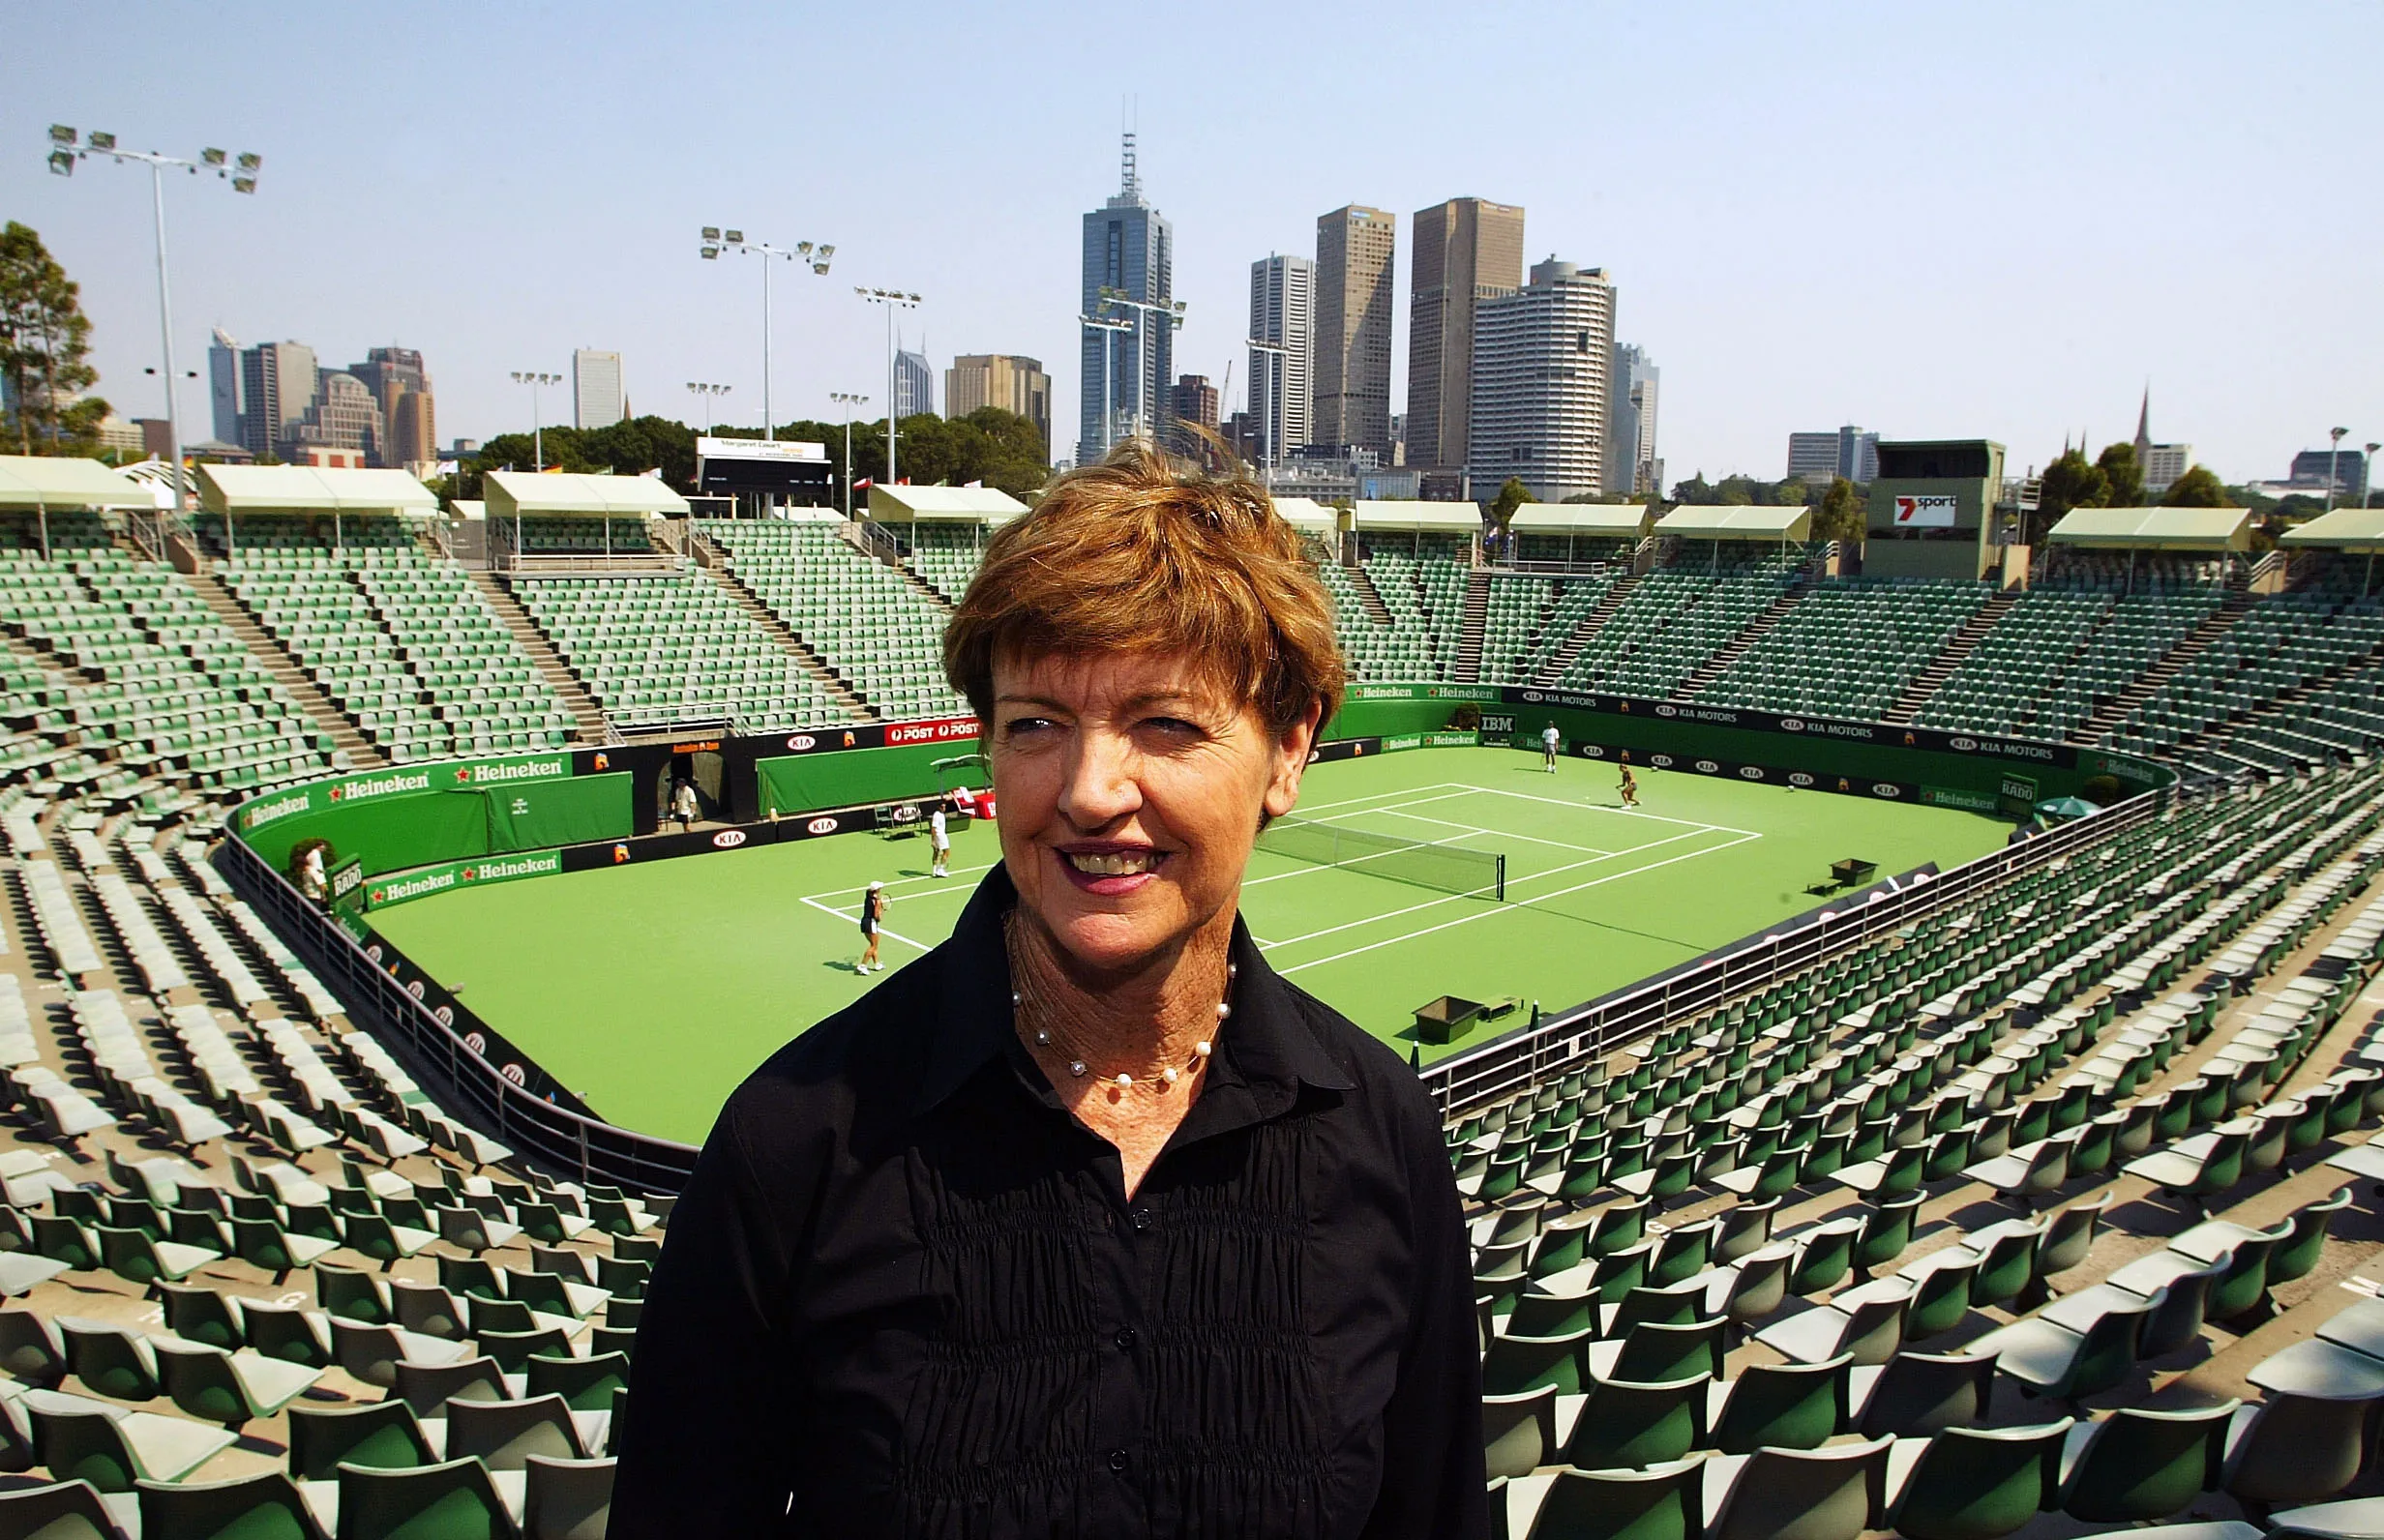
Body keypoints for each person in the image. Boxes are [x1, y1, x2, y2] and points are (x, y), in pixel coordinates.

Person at [617, 441, 1485, 1539]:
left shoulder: (1383, 1132)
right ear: (987, 744)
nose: (1087, 791)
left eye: (1165, 723)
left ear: (1288, 750)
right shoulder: (791, 1145)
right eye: (1036, 724)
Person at [857, 880, 887, 973]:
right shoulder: (877, 901)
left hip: (864, 922)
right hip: (871, 923)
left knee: (873, 945)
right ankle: (863, 965)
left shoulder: (868, 897)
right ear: (877, 890)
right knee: (873, 946)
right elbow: (876, 916)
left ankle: (877, 964)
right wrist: (880, 913)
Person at [929, 800, 952, 877]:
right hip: (940, 835)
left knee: (937, 852)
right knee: (947, 851)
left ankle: (934, 871)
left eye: (945, 807)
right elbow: (933, 828)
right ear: (939, 807)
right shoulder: (937, 815)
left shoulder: (941, 814)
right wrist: (933, 840)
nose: (944, 808)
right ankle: (940, 870)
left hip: (940, 835)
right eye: (942, 807)